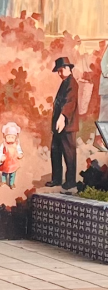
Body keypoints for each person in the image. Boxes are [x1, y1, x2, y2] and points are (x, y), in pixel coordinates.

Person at [50, 56, 79, 191]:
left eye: (61, 71)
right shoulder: (65, 82)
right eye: (58, 72)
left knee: (69, 154)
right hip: (59, 124)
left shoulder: (72, 83)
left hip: (67, 125)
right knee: (55, 151)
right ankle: (56, 179)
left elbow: (70, 102)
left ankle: (71, 181)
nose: (59, 74)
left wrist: (62, 117)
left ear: (68, 69)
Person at [0, 122, 23, 189]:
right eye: (8, 137)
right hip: (6, 162)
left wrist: (20, 154)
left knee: (13, 173)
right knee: (4, 172)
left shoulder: (16, 144)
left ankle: (11, 183)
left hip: (13, 162)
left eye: (12, 137)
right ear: (5, 137)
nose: (10, 139)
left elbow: (19, 149)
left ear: (15, 137)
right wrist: (1, 157)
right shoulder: (4, 144)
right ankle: (4, 181)